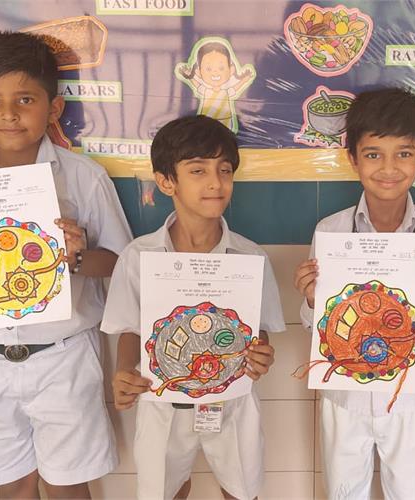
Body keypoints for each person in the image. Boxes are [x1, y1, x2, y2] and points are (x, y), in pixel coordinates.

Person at [0, 31, 132, 498]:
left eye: (25, 99)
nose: (9, 114)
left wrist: (75, 257)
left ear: (53, 108)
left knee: (68, 484)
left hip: (63, 356)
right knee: (12, 485)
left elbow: (119, 263)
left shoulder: (83, 177)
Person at [292, 88, 415, 499]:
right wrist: (313, 300)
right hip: (344, 397)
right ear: (353, 158)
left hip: (410, 398)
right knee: (343, 493)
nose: (388, 168)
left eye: (403, 154)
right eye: (373, 154)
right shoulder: (330, 232)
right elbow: (315, 327)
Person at [102, 114, 285, 500]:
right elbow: (131, 329)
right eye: (198, 170)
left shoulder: (250, 257)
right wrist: (124, 372)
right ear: (166, 181)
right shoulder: (139, 256)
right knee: (164, 491)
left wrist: (261, 354)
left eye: (224, 170)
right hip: (162, 402)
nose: (215, 183)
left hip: (231, 401)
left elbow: (259, 332)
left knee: (242, 491)